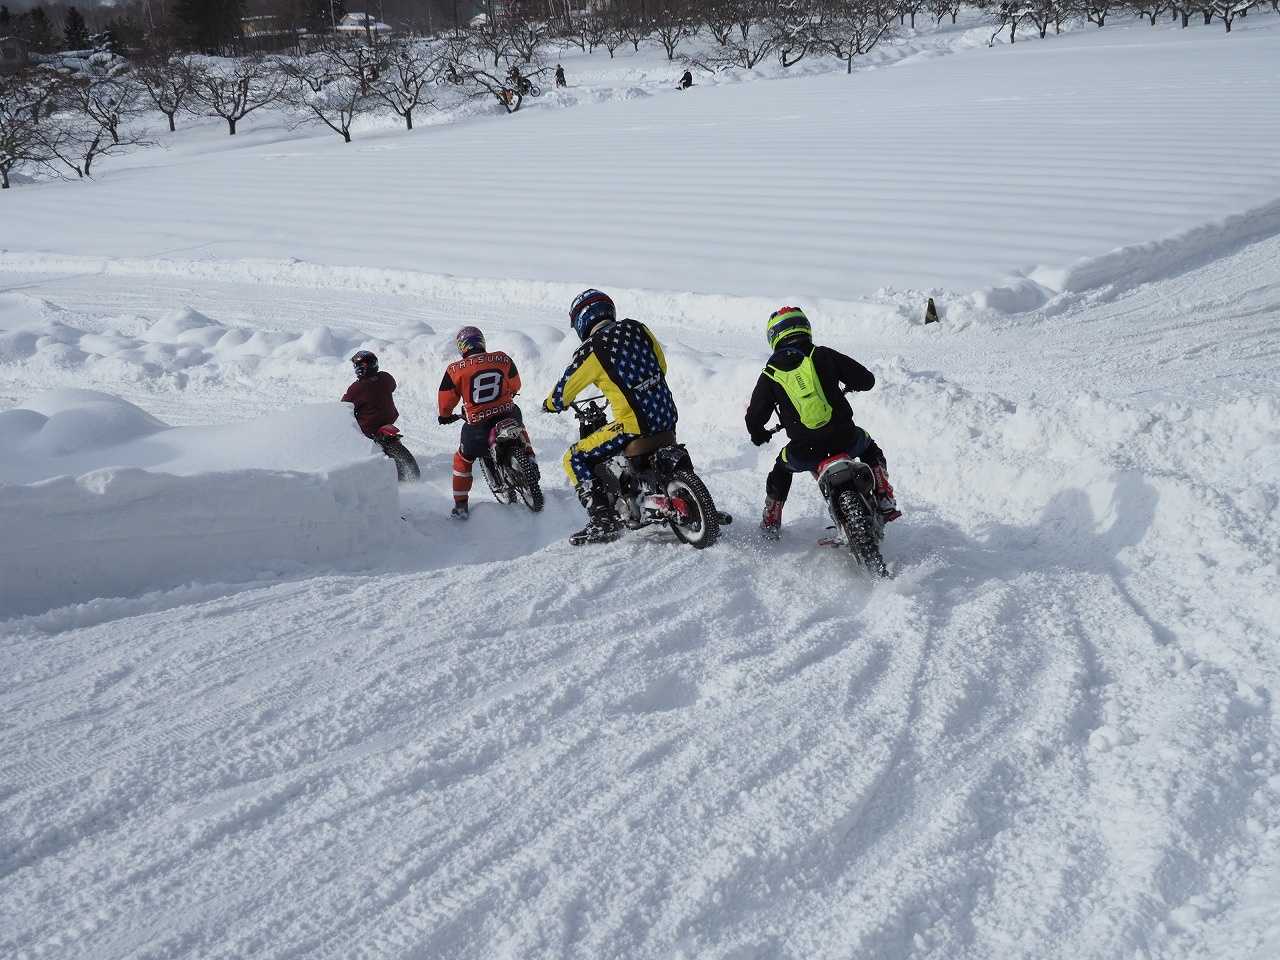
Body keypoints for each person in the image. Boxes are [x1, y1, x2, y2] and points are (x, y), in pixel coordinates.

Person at [744, 306, 900, 540]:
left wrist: (759, 434)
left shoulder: (771, 373)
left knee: (781, 468)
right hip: (846, 440)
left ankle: (771, 520)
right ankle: (884, 495)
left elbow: (755, 417)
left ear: (774, 335)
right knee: (869, 446)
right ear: (804, 327)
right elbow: (866, 380)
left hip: (805, 452)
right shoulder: (823, 354)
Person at [543, 289, 678, 545]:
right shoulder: (638, 328)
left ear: (581, 320)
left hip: (633, 424)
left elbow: (564, 391)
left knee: (574, 457)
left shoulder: (591, 350)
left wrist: (550, 404)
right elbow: (661, 365)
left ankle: (602, 519)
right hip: (666, 414)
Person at [438, 325, 534, 520]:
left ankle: (461, 506)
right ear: (481, 341)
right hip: (508, 414)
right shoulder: (502, 358)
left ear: (462, 346)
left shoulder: (454, 370)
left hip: (478, 426)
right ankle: (530, 457)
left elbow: (446, 400)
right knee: (520, 426)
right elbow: (516, 384)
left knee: (462, 460)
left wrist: (445, 416)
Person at [343, 350, 419, 481]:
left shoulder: (357, 388)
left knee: (352, 433)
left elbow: (345, 405)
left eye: (358, 365)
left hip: (369, 426)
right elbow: (393, 386)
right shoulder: (385, 377)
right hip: (388, 419)